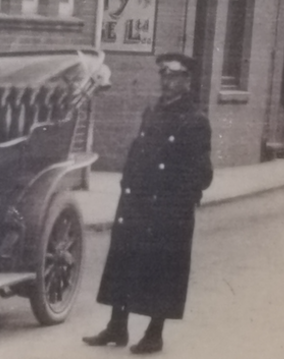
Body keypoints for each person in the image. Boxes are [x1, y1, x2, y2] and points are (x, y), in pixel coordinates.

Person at [83, 52, 214, 355]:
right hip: (138, 201)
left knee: (163, 269)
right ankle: (117, 326)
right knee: (124, 260)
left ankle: (155, 334)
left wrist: (177, 202)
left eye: (174, 76)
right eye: (163, 75)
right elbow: (139, 151)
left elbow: (202, 174)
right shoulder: (152, 111)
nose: (167, 82)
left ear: (187, 81)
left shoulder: (195, 121)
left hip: (168, 208)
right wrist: (127, 184)